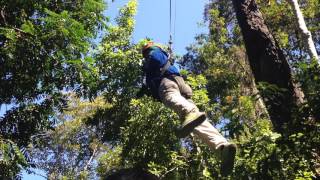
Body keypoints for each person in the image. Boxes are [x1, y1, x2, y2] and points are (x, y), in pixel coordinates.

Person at [141, 41, 237, 176]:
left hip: (168, 81)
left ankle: (189, 111)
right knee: (197, 123)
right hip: (180, 84)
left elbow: (154, 60)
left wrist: (147, 66)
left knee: (169, 97)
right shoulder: (162, 56)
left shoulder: (153, 53)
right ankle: (222, 148)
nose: (145, 56)